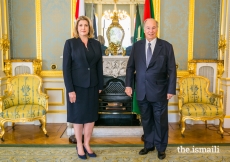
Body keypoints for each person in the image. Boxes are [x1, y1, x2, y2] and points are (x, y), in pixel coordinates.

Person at [125, 18, 176, 160]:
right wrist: (128, 85)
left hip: (160, 91)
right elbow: (130, 67)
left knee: (160, 121)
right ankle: (149, 145)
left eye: (153, 28)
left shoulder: (166, 46)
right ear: (144, 29)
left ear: (157, 29)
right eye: (148, 28)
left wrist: (171, 89)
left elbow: (172, 70)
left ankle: (161, 148)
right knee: (146, 120)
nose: (150, 31)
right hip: (142, 90)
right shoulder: (136, 46)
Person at [63, 16, 103, 160]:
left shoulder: (96, 44)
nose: (83, 28)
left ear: (89, 28)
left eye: (86, 25)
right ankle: (79, 144)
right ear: (77, 27)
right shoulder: (70, 43)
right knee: (79, 117)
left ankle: (87, 144)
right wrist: (70, 89)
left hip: (93, 85)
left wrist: (100, 85)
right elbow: (66, 69)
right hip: (77, 87)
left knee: (91, 116)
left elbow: (99, 66)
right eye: (81, 25)